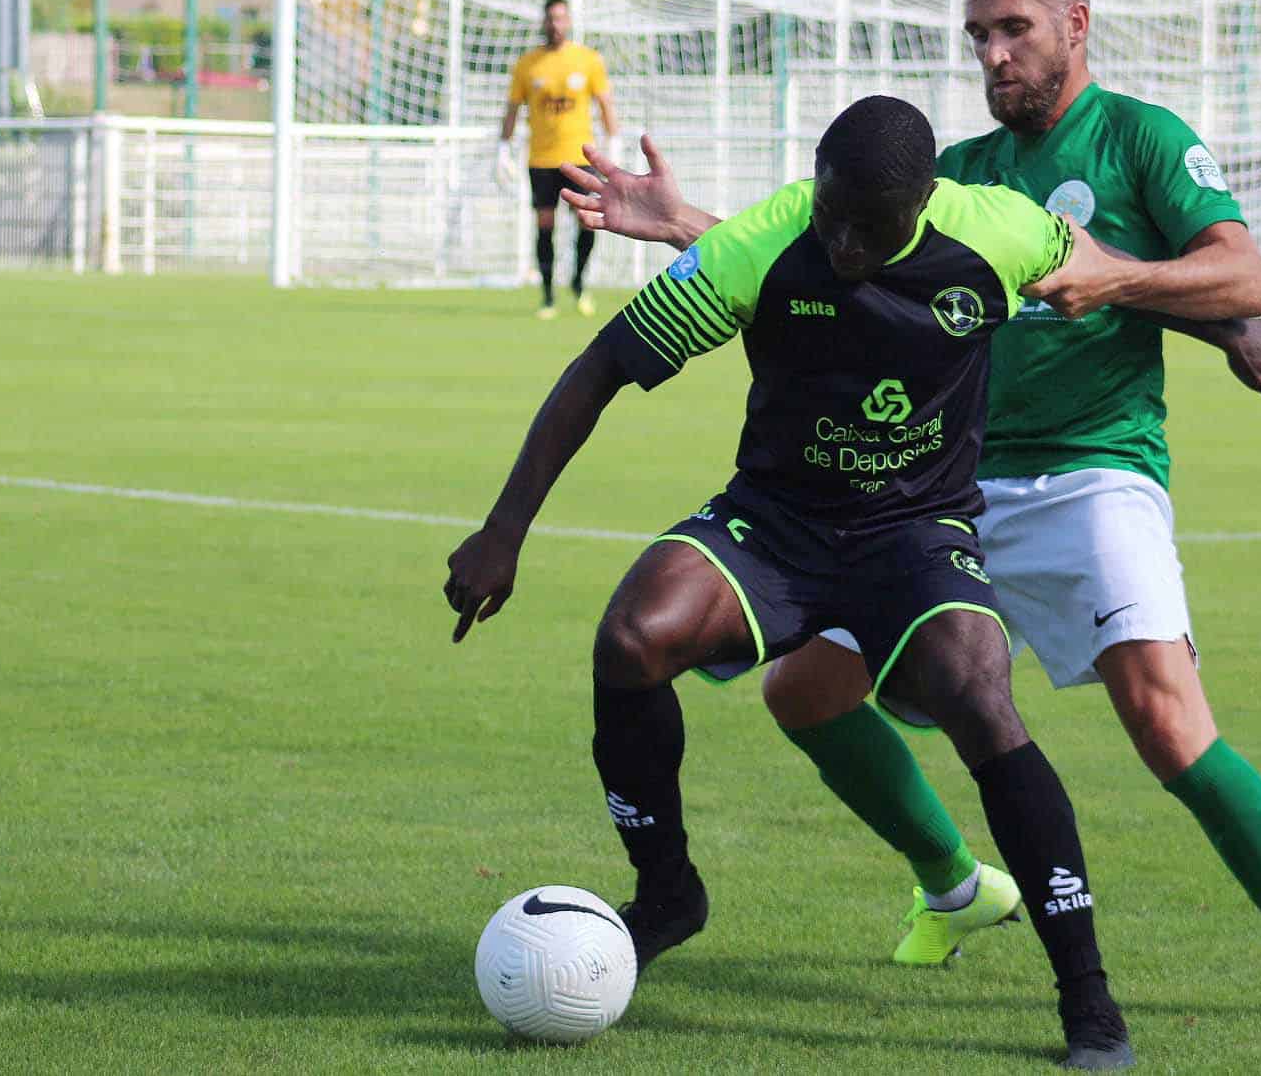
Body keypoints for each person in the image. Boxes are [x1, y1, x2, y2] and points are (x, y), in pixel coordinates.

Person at [560, 0, 1261, 1040]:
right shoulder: (959, 172)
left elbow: (1245, 271)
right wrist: (686, 226)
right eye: (979, 36)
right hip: (949, 493)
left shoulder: (1140, 139)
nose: (993, 55)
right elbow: (840, 261)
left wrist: (1132, 284)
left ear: (1074, 25)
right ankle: (955, 884)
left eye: (1013, 29)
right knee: (802, 691)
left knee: (1162, 717)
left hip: (1096, 471)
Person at [445, 96, 1142, 1069]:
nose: (845, 242)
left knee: (978, 693)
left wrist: (1231, 330)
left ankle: (1088, 998)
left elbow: (1111, 277)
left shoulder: (1001, 228)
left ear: (921, 204)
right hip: (773, 526)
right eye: (831, 215)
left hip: (915, 533)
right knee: (632, 637)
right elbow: (602, 365)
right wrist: (502, 530)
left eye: (871, 225)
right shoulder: (761, 244)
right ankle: (668, 893)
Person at [499, 0, 619, 319]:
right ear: (543, 22)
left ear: (569, 22)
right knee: (545, 223)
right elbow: (512, 108)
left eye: (561, 18)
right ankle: (548, 295)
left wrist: (614, 143)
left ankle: (579, 283)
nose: (556, 24)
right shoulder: (528, 64)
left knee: (587, 220)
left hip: (579, 157)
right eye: (551, 18)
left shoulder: (588, 60)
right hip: (541, 159)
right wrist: (503, 148)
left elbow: (605, 103)